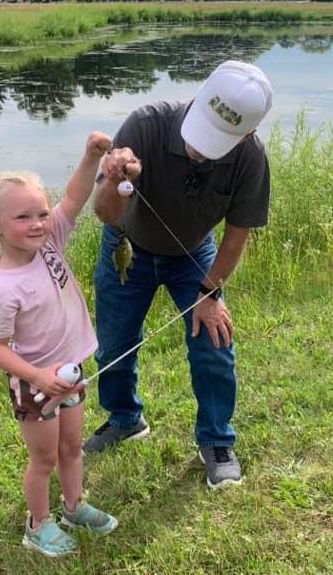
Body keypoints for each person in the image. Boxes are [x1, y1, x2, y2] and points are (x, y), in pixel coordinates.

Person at [83, 60, 274, 489]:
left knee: (213, 342)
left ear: (246, 134)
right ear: (200, 95)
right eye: (202, 129)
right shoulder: (145, 126)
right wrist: (114, 181)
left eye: (217, 141)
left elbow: (237, 233)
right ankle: (125, 419)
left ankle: (216, 440)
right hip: (125, 247)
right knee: (114, 343)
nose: (199, 150)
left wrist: (210, 292)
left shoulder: (251, 157)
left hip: (194, 257)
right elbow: (102, 213)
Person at [0, 132, 117, 557]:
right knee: (44, 460)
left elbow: (74, 197)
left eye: (41, 212)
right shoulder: (2, 290)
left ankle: (73, 506)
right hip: (35, 385)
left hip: (71, 371)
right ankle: (37, 525)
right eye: (23, 217)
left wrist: (91, 156)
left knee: (72, 447)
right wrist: (39, 376)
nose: (38, 222)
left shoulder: (49, 242)